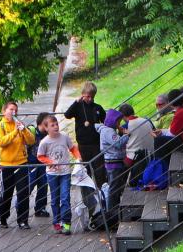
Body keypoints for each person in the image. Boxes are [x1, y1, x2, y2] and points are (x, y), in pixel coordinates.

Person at [63, 82, 106, 225]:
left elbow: (105, 122)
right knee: (84, 175)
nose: (87, 98)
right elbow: (67, 115)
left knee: (100, 173)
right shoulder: (78, 106)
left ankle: (102, 202)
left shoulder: (97, 108)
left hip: (96, 146)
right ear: (82, 95)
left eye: (90, 96)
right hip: (83, 146)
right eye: (85, 96)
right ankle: (89, 204)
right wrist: (76, 102)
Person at [36, 112, 80, 235]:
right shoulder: (44, 142)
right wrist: (50, 162)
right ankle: (57, 222)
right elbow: (40, 156)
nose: (56, 127)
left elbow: (73, 148)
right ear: (46, 128)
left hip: (65, 173)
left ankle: (66, 223)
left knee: (65, 197)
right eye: (52, 125)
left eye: (56, 124)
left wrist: (78, 157)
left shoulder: (64, 136)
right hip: (52, 174)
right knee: (55, 199)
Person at [0, 101, 35, 229]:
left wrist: (24, 130)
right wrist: (15, 132)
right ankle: (3, 217)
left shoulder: (20, 125)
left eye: (15, 110)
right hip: (5, 164)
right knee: (6, 192)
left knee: (23, 192)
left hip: (21, 163)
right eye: (11, 109)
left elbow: (31, 141)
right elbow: (1, 142)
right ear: (4, 111)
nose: (14, 112)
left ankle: (23, 220)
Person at [98, 108, 128, 224]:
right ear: (112, 121)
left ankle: (114, 211)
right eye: (118, 122)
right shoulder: (108, 132)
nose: (119, 124)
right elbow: (118, 143)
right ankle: (112, 214)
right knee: (114, 188)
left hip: (114, 162)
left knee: (115, 187)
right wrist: (126, 135)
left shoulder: (109, 130)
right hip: (113, 163)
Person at [153, 88, 183, 157]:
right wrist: (161, 131)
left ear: (171, 103)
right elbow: (173, 130)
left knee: (159, 140)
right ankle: (160, 163)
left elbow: (172, 132)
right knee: (161, 140)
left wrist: (161, 134)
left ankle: (160, 164)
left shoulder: (180, 113)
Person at [118, 102, 154, 188]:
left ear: (122, 116)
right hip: (151, 152)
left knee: (118, 165)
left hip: (135, 156)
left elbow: (120, 143)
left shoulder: (126, 126)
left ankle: (124, 187)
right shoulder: (146, 120)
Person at [25, 116, 49, 218]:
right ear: (40, 123)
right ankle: (21, 206)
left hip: (43, 163)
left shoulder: (48, 134)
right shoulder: (32, 132)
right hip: (32, 163)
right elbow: (26, 147)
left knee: (43, 185)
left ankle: (40, 208)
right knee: (29, 185)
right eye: (47, 123)